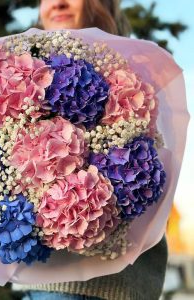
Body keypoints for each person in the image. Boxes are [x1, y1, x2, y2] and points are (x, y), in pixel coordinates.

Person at [16, 1, 168, 299]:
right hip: (42, 287)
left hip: (110, 288)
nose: (58, 2)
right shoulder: (22, 78)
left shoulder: (137, 77)